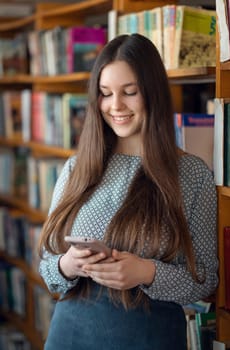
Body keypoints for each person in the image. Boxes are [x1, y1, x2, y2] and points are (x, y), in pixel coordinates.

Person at [38, 33, 218, 350]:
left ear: (153, 93)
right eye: (105, 94)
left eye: (129, 92)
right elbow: (47, 266)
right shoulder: (76, 168)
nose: (115, 105)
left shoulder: (192, 176)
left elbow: (204, 281)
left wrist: (146, 272)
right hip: (71, 331)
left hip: (149, 335)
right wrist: (69, 264)